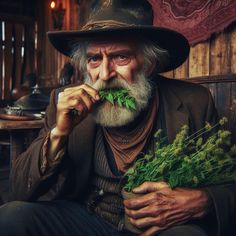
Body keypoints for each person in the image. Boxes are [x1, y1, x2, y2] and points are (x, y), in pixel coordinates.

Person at [0, 0, 235, 235]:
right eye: (94, 59)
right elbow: (18, 190)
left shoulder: (194, 102)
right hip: (89, 220)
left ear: (150, 63)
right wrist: (58, 134)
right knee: (12, 216)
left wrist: (203, 201)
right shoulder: (63, 102)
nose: (105, 74)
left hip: (161, 228)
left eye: (121, 57)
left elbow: (228, 181)